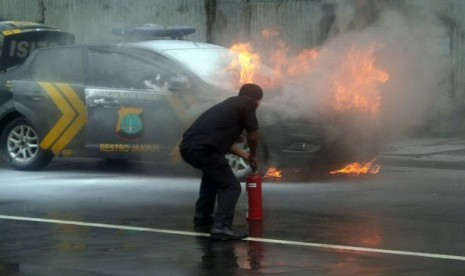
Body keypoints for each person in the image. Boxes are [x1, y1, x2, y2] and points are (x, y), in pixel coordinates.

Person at [179, 83, 263, 240]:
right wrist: (253, 154)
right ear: (257, 101)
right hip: (205, 149)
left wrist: (245, 156)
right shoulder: (248, 103)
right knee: (231, 186)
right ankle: (222, 226)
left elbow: (226, 142)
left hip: (189, 147)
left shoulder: (229, 105)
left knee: (211, 179)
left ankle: (202, 218)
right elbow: (252, 135)